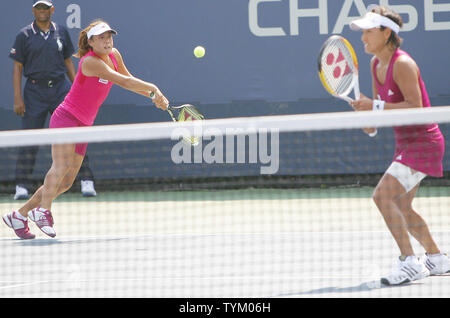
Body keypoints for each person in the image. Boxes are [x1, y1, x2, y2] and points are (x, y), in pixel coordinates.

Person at [3, 20, 169, 240]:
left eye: (109, 36)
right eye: (101, 37)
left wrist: (152, 97)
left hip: (84, 124)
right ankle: (43, 211)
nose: (107, 40)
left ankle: (19, 215)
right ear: (91, 42)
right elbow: (125, 81)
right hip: (66, 118)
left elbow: (127, 80)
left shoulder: (114, 55)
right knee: (60, 166)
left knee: (67, 181)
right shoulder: (90, 62)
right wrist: (154, 89)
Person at [349, 5, 450, 285]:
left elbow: (415, 107)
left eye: (369, 31)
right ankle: (437, 258)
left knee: (382, 197)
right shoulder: (374, 64)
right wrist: (367, 115)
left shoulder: (403, 63)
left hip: (424, 142)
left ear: (386, 33)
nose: (363, 37)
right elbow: (376, 119)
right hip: (406, 142)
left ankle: (409, 262)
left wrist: (375, 105)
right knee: (402, 206)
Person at [9, 0, 97, 200]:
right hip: (34, 92)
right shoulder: (23, 35)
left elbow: (68, 62)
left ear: (52, 10)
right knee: (30, 138)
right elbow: (17, 68)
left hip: (60, 89)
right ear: (34, 10)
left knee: (74, 136)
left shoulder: (62, 32)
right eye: (39, 8)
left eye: (45, 8)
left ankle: (86, 180)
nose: (42, 11)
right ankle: (22, 185)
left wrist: (77, 89)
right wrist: (17, 98)